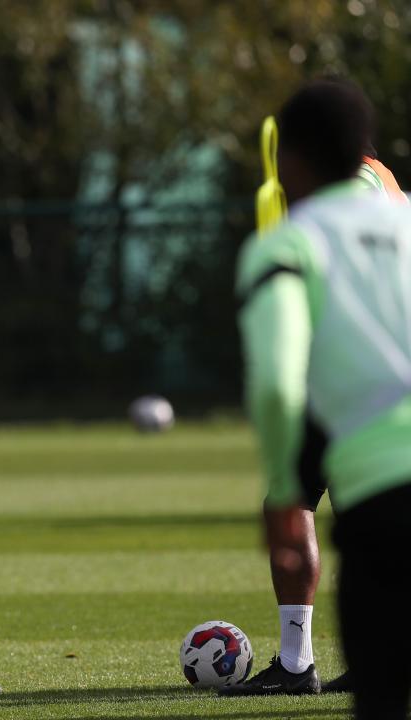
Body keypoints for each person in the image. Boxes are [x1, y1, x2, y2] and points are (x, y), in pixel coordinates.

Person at [231, 79, 411, 719]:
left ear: (291, 156)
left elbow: (278, 382)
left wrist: (284, 487)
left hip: (371, 461)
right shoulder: (399, 205)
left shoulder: (288, 241)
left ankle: (296, 662)